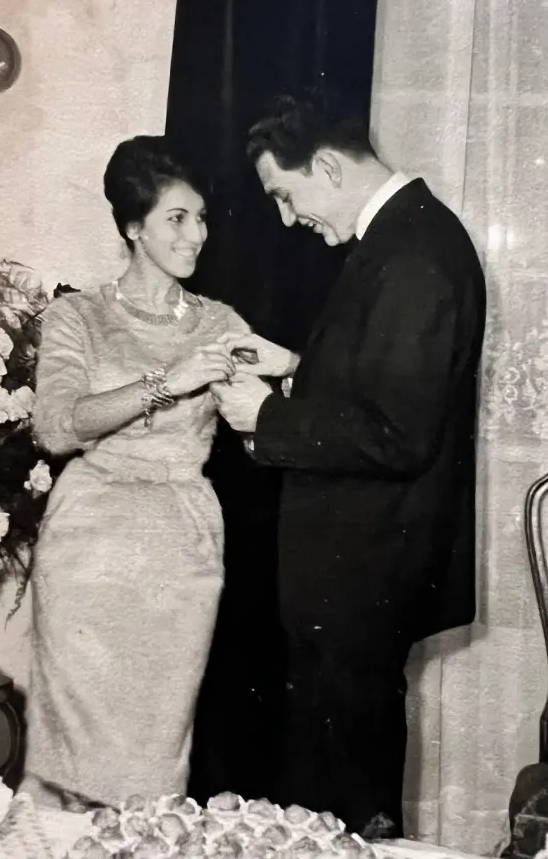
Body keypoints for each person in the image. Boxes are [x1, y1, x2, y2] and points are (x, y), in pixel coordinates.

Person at [213, 89, 487, 837]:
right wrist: (295, 366)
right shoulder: (403, 238)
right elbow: (388, 386)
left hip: (363, 573)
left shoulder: (415, 251)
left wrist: (267, 416)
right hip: (356, 572)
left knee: (342, 796)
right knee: (333, 787)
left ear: (328, 167)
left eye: (285, 194)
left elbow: (398, 433)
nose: (286, 219)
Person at [25, 135, 251, 809]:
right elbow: (56, 427)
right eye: (176, 218)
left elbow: (262, 423)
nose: (196, 235)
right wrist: (166, 383)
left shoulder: (220, 322)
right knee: (71, 765)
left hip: (179, 546)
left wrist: (291, 375)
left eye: (201, 218)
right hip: (87, 545)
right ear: (133, 227)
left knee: (153, 756)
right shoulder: (78, 315)